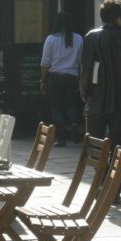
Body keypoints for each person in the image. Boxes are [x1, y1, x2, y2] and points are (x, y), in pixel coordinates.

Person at [80, 0, 121, 204]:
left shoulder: (91, 38)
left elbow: (86, 71)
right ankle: (115, 188)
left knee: (97, 147)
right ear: (119, 18)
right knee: (118, 146)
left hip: (97, 101)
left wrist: (85, 93)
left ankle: (101, 185)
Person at [40, 12, 83, 147]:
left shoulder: (51, 39)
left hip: (55, 77)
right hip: (72, 77)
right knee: (71, 104)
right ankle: (75, 125)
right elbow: (81, 61)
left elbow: (45, 63)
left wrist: (42, 80)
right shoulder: (78, 39)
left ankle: (61, 138)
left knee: (57, 108)